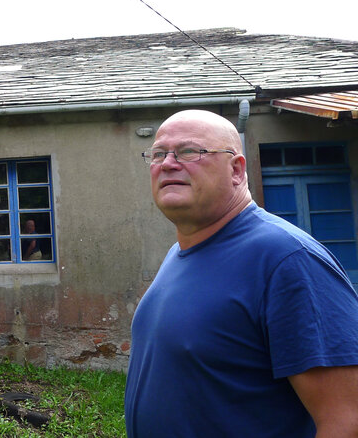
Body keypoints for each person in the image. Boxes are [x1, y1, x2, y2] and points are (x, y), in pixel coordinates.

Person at [125, 109, 358, 438]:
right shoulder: (178, 253)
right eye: (158, 153)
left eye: (189, 151)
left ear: (236, 170)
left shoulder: (286, 259)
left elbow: (347, 420)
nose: (167, 163)